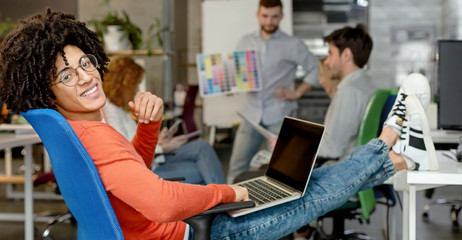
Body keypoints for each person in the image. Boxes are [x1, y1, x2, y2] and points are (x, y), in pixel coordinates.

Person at [0, 9, 434, 240]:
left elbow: (129, 181)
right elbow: (161, 202)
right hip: (200, 233)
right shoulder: (92, 134)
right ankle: (389, 143)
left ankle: (392, 152)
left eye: (85, 63)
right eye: (66, 75)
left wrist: (147, 130)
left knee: (299, 181)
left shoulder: (74, 132)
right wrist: (234, 192)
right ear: (46, 90)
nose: (87, 76)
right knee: (310, 191)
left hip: (176, 230)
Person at [227, 0, 319, 183]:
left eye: (275, 17)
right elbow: (237, 72)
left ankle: (275, 209)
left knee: (278, 170)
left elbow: (317, 68)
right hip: (251, 115)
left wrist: (298, 92)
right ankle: (229, 208)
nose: (269, 21)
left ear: (282, 16)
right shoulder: (245, 41)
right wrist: (232, 86)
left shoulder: (293, 44)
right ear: (258, 15)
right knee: (237, 166)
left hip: (279, 114)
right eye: (265, 16)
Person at [102, 56, 225, 184]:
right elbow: (128, 154)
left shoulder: (118, 109)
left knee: (202, 147)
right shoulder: (110, 113)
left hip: (154, 158)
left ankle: (225, 196)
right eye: (136, 86)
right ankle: (227, 199)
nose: (137, 91)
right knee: (204, 169)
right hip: (150, 168)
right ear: (125, 85)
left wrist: (158, 142)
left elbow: (134, 142)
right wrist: (161, 147)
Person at [316, 25, 377, 165]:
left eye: (330, 53)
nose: (326, 61)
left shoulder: (349, 90)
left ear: (346, 55)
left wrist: (290, 144)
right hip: (361, 166)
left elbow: (331, 148)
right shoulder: (368, 85)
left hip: (345, 170)